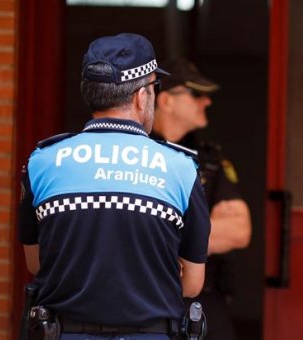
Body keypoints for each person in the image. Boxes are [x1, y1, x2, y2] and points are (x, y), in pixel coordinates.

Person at [17, 33, 211, 340]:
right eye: (153, 88)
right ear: (141, 96)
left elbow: (35, 263)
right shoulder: (181, 169)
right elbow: (192, 283)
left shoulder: (43, 161)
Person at [151, 59, 251, 340]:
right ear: (167, 101)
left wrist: (153, 235)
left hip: (203, 299)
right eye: (196, 94)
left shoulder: (208, 159)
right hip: (145, 293)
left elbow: (238, 231)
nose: (206, 101)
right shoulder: (135, 154)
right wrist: (199, 231)